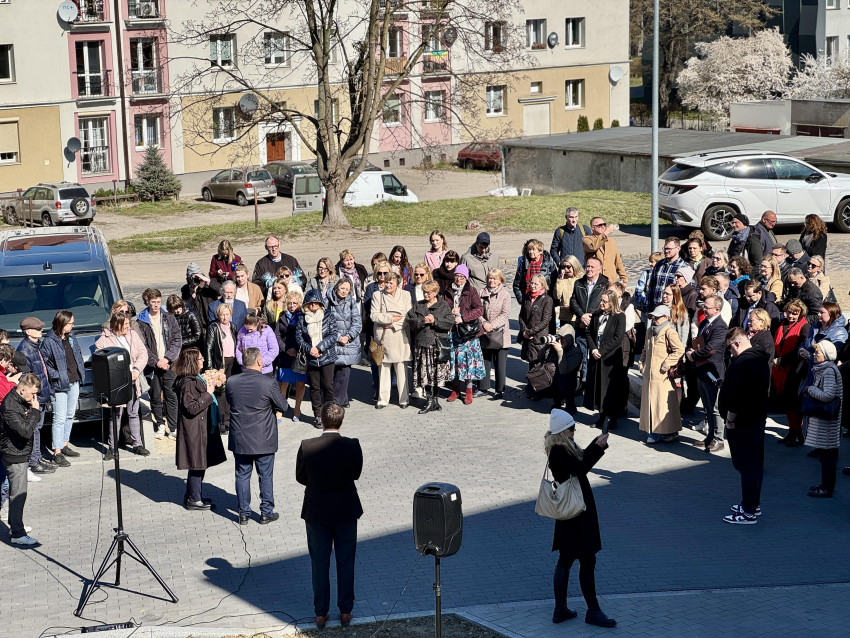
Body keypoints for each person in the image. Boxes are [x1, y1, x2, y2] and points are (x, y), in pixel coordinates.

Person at [545, 410, 616, 628]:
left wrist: (597, 442)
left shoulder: (563, 446)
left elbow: (581, 458)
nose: (574, 431)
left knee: (566, 559)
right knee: (586, 560)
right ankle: (593, 610)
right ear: (562, 430)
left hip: (570, 512)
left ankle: (560, 609)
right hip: (576, 512)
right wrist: (598, 448)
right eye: (571, 428)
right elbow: (581, 468)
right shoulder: (559, 452)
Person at [296, 402, 363, 630]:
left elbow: (300, 477)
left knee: (319, 563)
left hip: (317, 510)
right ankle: (345, 611)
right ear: (341, 421)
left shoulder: (307, 446)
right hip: (346, 509)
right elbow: (356, 473)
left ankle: (320, 613)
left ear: (322, 420)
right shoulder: (352, 445)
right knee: (346, 561)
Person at [225, 347, 288, 525]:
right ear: (259, 361)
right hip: (263, 437)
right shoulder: (268, 382)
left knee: (242, 474)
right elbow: (283, 406)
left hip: (240, 437)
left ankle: (243, 514)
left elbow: (231, 401)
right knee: (265, 475)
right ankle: (266, 512)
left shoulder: (231, 381)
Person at [720, 328, 770, 524]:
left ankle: (748, 512)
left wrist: (730, 419)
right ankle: (752, 504)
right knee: (755, 464)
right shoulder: (759, 359)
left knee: (746, 466)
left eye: (730, 348)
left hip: (743, 422)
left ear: (736, 344)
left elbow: (737, 395)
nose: (730, 352)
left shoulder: (743, 363)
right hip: (756, 418)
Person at [174, 347, 226, 511]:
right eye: (200, 358)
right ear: (192, 362)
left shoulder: (193, 378)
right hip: (194, 430)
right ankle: (194, 499)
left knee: (198, 462)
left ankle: (192, 494)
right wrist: (208, 394)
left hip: (199, 427)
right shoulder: (188, 383)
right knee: (197, 464)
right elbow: (191, 408)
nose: (203, 360)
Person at [95, 312, 150, 458]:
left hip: (133, 380)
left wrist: (136, 370)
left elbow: (143, 353)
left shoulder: (133, 335)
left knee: (133, 412)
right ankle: (112, 448)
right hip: (116, 384)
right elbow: (101, 362)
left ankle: (137, 445)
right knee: (116, 415)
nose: (128, 326)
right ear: (117, 324)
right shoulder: (103, 341)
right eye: (125, 324)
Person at [0, 373, 43, 545]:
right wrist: (34, 412)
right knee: (18, 494)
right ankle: (18, 533)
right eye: (32, 393)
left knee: (17, 492)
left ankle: (15, 525)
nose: (34, 398)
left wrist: (31, 411)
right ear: (22, 389)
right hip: (14, 455)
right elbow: (25, 431)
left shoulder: (19, 400)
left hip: (18, 452)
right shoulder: (10, 406)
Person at [40, 311, 84, 466]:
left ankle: (64, 444)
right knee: (59, 418)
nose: (73, 326)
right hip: (59, 385)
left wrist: (80, 371)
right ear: (62, 323)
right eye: (70, 323)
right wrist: (58, 375)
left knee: (70, 415)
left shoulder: (71, 336)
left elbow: (77, 354)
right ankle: (57, 452)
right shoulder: (49, 341)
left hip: (74, 381)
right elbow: (45, 364)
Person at [137, 288, 182, 439]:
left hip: (169, 364)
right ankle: (160, 424)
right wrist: (156, 362)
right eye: (153, 302)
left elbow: (177, 340)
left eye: (158, 301)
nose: (156, 305)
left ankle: (173, 427)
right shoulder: (141, 321)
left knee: (171, 396)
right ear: (147, 302)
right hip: (153, 367)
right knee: (155, 397)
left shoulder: (169, 317)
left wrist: (167, 358)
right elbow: (143, 346)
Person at [687, 294, 728, 452]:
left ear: (717, 309)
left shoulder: (721, 327)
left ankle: (719, 439)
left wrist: (693, 355)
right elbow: (700, 342)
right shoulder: (704, 322)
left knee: (715, 407)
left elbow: (711, 348)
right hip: (702, 369)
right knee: (707, 406)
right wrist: (691, 350)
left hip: (713, 371)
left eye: (707, 307)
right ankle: (710, 436)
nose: (704, 309)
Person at [802, 341, 842, 498]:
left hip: (828, 421)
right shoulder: (825, 369)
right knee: (826, 455)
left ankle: (827, 487)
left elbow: (828, 395)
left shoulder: (829, 371)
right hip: (826, 420)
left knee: (828, 456)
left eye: (817, 352)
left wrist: (810, 389)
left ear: (826, 355)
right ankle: (825, 484)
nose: (814, 354)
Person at [640, 305, 685, 444]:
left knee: (661, 406)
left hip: (662, 376)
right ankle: (663, 433)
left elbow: (679, 349)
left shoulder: (670, 331)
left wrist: (666, 365)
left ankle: (658, 434)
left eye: (658, 317)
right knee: (652, 405)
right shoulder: (650, 330)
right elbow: (645, 350)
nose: (655, 319)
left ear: (666, 317)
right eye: (654, 316)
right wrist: (641, 364)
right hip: (649, 376)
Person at [15, 318, 54, 477]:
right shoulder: (25, 349)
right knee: (34, 429)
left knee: (38, 428)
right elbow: (27, 379)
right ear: (28, 332)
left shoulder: (35, 346)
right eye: (38, 329)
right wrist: (33, 398)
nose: (41, 331)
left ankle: (37, 457)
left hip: (41, 394)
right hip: (35, 397)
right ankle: (34, 461)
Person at [408, 280, 454, 414]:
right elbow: (410, 320)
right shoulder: (418, 305)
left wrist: (435, 321)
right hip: (422, 345)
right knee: (426, 375)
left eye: (428, 292)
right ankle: (429, 401)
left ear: (435, 292)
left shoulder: (443, 305)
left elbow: (450, 322)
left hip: (437, 345)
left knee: (436, 375)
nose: (425, 295)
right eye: (424, 292)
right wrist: (422, 322)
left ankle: (435, 401)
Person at [584, 290, 627, 431]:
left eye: (605, 301)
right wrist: (593, 349)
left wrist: (601, 351)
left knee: (610, 389)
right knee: (598, 388)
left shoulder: (620, 316)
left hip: (610, 359)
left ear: (612, 302)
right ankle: (601, 416)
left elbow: (617, 338)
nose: (601, 303)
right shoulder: (596, 314)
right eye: (601, 300)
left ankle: (612, 418)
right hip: (596, 357)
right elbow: (589, 333)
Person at [443, 264, 485, 404]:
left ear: (466, 278)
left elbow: (479, 309)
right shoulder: (448, 290)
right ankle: (455, 389)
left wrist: (463, 316)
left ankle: (468, 390)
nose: (459, 279)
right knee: (454, 361)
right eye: (457, 276)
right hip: (453, 332)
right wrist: (451, 312)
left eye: (462, 277)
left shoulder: (471, 290)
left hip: (467, 332)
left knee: (467, 362)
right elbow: (443, 308)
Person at [370, 272, 412, 409]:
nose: (388, 285)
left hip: (400, 335)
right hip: (383, 336)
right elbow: (374, 316)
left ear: (397, 284)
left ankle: (404, 399)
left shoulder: (405, 295)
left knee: (401, 367)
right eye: (386, 282)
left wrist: (394, 324)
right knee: (384, 368)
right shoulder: (378, 295)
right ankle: (382, 399)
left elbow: (408, 316)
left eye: (391, 283)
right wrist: (393, 318)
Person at [772, 300, 811, 447]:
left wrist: (782, 359)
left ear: (801, 314)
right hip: (781, 368)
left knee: (794, 404)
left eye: (795, 313)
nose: (791, 316)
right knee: (787, 403)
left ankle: (797, 433)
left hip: (795, 369)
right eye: (789, 312)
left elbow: (799, 350)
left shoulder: (805, 327)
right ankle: (791, 431)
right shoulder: (782, 324)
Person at [297, 289, 339, 418]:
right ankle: (318, 415)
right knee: (314, 388)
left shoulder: (328, 315)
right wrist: (309, 349)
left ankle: (329, 414)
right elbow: (299, 338)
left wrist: (320, 348)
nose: (313, 304)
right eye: (310, 302)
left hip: (327, 356)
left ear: (320, 303)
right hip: (311, 358)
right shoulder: (302, 318)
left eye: (316, 302)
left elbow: (333, 335)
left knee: (328, 386)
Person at [569, 257, 609, 386]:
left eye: (592, 267)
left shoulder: (605, 285)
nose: (589, 269)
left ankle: (591, 384)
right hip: (581, 325)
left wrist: (590, 317)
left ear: (599, 269)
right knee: (581, 356)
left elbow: (606, 305)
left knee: (593, 355)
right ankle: (582, 382)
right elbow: (573, 302)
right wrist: (582, 316)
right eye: (587, 266)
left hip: (596, 327)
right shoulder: (579, 283)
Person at [204, 304, 239, 433]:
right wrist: (209, 368)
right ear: (218, 315)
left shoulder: (233, 327)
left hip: (232, 362)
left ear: (231, 315)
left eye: (227, 314)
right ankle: (220, 421)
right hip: (220, 363)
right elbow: (208, 348)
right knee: (220, 392)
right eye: (222, 314)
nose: (225, 317)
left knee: (230, 390)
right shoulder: (213, 327)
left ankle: (228, 419)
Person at [478, 269, 511, 399]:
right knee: (484, 361)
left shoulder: (505, 295)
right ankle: (483, 388)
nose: (491, 280)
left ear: (500, 280)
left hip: (500, 334)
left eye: (495, 278)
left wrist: (492, 325)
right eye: (490, 278)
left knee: (500, 364)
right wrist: (484, 323)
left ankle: (499, 390)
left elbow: (505, 314)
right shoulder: (481, 292)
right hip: (484, 332)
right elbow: (478, 311)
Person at [535, 325, 583, 414]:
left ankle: (570, 405)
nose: (561, 340)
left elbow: (564, 369)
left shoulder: (576, 352)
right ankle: (556, 400)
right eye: (560, 337)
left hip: (570, 381)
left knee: (563, 379)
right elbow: (539, 358)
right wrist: (546, 346)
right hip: (554, 376)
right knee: (531, 390)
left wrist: (560, 351)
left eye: (564, 338)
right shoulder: (554, 346)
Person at [328, 279, 361, 408]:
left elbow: (357, 323)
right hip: (333, 342)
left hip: (348, 343)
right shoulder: (327, 301)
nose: (344, 291)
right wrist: (338, 337)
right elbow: (325, 322)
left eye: (347, 289)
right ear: (336, 287)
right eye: (342, 288)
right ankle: (340, 398)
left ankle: (338, 401)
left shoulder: (351, 302)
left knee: (344, 373)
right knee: (332, 374)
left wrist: (348, 336)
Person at [275, 291, 306, 422]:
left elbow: (306, 335)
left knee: (300, 383)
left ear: (300, 304)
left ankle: (297, 409)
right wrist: (285, 349)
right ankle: (280, 409)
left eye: (295, 303)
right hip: (285, 354)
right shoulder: (282, 316)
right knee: (283, 383)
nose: (292, 306)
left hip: (299, 355)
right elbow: (277, 335)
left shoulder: (304, 316)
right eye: (289, 303)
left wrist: (297, 350)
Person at [519, 274, 555, 369]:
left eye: (536, 284)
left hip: (539, 338)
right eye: (531, 283)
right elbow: (521, 316)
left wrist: (530, 332)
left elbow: (545, 321)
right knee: (530, 362)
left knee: (538, 363)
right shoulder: (526, 297)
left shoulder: (547, 300)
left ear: (542, 285)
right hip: (527, 336)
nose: (532, 286)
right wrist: (524, 330)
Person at [799, 302, 847, 368]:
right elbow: (805, 342)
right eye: (819, 312)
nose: (818, 314)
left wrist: (810, 356)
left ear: (831, 314)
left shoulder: (839, 333)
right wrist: (801, 349)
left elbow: (833, 357)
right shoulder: (815, 327)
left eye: (822, 312)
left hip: (823, 370)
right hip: (807, 368)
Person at [582, 217, 627, 284]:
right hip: (596, 281)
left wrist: (624, 279)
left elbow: (618, 262)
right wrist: (605, 233)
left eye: (604, 225)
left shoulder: (611, 242)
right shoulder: (587, 239)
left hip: (610, 281)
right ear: (593, 227)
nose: (603, 227)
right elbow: (593, 247)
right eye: (600, 225)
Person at [646, 237, 686, 313]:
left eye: (669, 249)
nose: (666, 251)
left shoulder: (684, 267)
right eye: (665, 248)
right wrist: (648, 309)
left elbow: (686, 291)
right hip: (656, 309)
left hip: (672, 311)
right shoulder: (659, 264)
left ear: (678, 249)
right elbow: (651, 287)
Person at [181, 263, 221, 338]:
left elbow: (221, 290)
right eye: (191, 278)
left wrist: (207, 280)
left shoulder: (209, 285)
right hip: (197, 326)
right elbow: (186, 308)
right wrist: (192, 294)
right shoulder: (185, 289)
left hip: (211, 321)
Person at [552, 256, 584, 330]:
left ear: (574, 265)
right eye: (563, 267)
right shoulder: (562, 278)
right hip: (565, 316)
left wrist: (572, 308)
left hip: (577, 316)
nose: (566, 269)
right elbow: (557, 296)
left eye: (568, 267)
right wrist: (560, 280)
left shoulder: (581, 278)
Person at [632, 251, 662, 320]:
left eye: (652, 262)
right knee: (646, 324)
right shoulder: (646, 274)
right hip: (646, 305)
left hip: (658, 305)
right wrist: (646, 301)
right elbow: (639, 289)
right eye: (649, 261)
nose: (649, 264)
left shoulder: (662, 274)